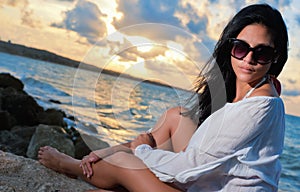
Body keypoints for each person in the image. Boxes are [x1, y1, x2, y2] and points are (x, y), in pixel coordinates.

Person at [38, 3, 288, 192]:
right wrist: (116, 148)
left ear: (275, 57)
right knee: (175, 116)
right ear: (230, 47)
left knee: (125, 163)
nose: (248, 59)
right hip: (212, 181)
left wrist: (143, 151)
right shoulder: (259, 90)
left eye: (262, 52)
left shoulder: (261, 104)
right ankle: (102, 156)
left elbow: (192, 165)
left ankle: (71, 167)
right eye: (241, 47)